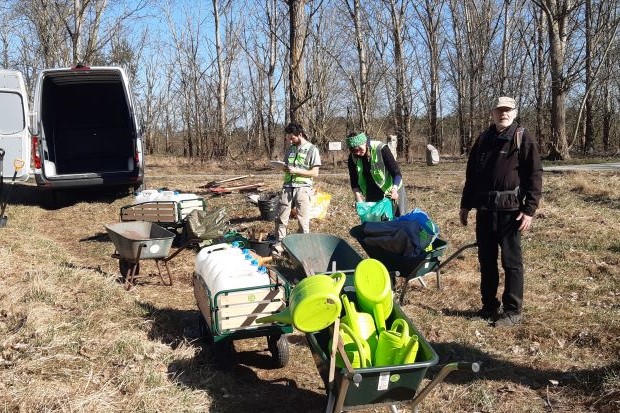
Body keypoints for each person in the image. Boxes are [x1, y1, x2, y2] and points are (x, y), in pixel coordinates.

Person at [459, 96, 542, 327]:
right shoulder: (483, 139)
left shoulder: (523, 137)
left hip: (511, 213)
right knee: (486, 261)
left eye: (507, 110)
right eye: (499, 110)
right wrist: (465, 205)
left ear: (514, 113)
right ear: (493, 113)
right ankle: (489, 306)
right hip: (484, 211)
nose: (503, 114)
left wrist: (529, 210)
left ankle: (513, 311)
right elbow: (471, 175)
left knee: (511, 263)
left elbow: (535, 175)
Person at [272, 122, 321, 255]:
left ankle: (302, 247)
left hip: (303, 188)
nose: (290, 140)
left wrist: (297, 171)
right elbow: (288, 168)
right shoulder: (290, 149)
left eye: (292, 138)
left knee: (302, 219)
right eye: (288, 138)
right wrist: (283, 167)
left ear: (300, 135)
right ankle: (280, 245)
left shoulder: (312, 149)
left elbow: (315, 173)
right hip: (287, 187)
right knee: (281, 217)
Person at [346, 131, 407, 217]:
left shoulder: (381, 148)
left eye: (360, 149)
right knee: (376, 219)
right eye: (354, 151)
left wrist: (394, 189)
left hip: (392, 187)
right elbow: (354, 179)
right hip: (372, 191)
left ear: (365, 143)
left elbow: (396, 173)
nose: (358, 153)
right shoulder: (353, 157)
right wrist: (358, 198)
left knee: (399, 217)